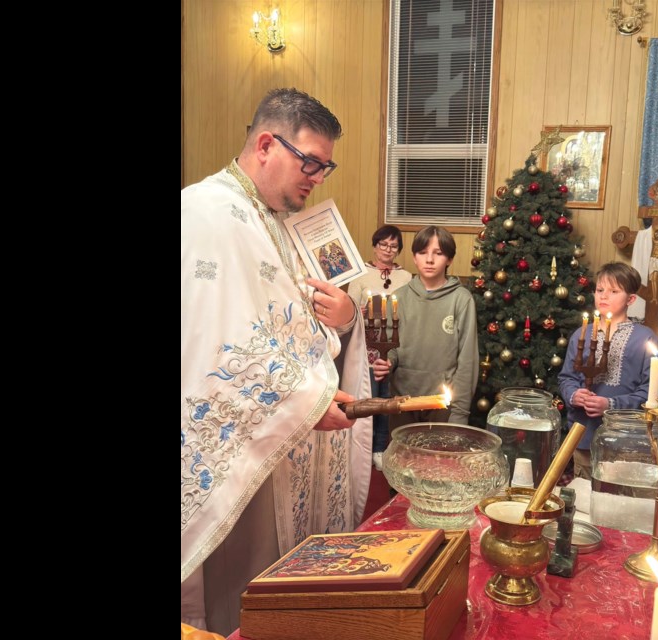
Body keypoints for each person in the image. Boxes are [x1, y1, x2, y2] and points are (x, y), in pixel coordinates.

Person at [181, 88, 372, 636]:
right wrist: (307, 401)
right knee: (237, 585)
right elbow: (215, 342)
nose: (317, 176)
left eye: (325, 166)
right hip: (239, 439)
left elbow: (289, 318)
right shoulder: (208, 213)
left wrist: (342, 318)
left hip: (285, 431)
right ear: (266, 144)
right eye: (309, 161)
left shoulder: (275, 219)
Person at [558, 262, 658, 479]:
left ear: (630, 299)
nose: (604, 296)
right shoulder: (581, 335)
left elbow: (650, 392)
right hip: (583, 435)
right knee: (584, 492)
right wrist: (575, 395)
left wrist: (610, 405)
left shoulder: (645, 338)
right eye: (600, 290)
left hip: (626, 440)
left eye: (614, 291)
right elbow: (567, 378)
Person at [372, 226, 479, 429]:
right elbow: (391, 346)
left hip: (443, 405)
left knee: (439, 460)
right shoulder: (399, 298)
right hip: (402, 402)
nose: (429, 260)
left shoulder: (461, 300)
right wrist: (387, 361)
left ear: (449, 259)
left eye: (438, 253)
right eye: (422, 253)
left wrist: (460, 412)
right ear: (414, 257)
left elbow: (467, 361)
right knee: (404, 460)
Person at [346, 225, 413, 469]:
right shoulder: (361, 274)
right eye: (383, 244)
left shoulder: (406, 277)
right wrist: (359, 311)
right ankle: (364, 447)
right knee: (371, 396)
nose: (388, 249)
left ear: (399, 250)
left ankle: (380, 448)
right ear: (375, 246)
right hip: (368, 345)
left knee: (389, 397)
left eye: (393, 246)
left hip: (396, 344)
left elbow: (409, 312)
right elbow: (349, 311)